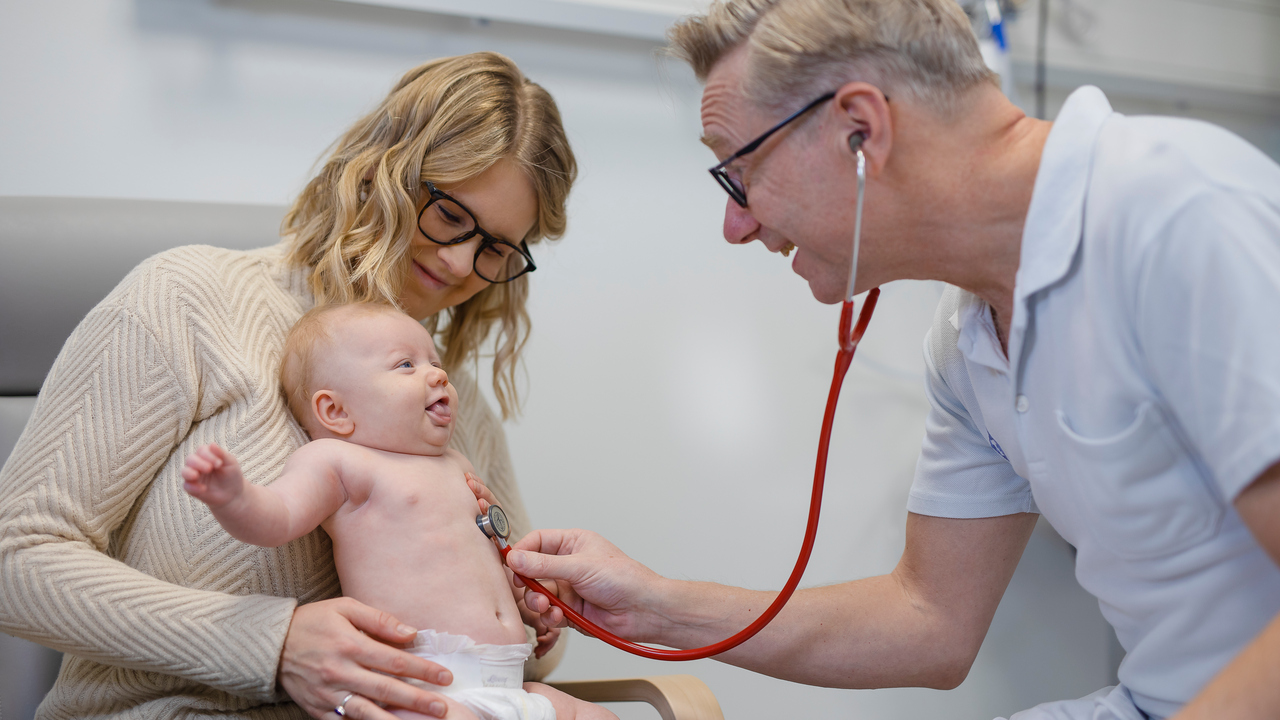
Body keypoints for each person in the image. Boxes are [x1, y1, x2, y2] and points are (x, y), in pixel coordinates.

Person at [498, 1, 1280, 719]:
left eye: (737, 172)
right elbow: (930, 619)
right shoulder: (970, 335)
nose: (736, 226)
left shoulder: (1174, 213)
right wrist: (656, 606)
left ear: (860, 130)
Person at [0, 51, 576, 719]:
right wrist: (272, 644)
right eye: (449, 215)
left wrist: (536, 613)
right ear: (381, 169)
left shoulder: (456, 407)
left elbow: (529, 648)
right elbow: (15, 558)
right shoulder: (191, 301)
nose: (457, 262)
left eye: (496, 250)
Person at [182, 303, 614, 720]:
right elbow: (276, 518)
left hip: (509, 682)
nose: (438, 374)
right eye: (406, 365)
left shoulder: (458, 465)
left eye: (435, 360)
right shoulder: (340, 462)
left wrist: (528, 604)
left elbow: (488, 562)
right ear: (335, 411)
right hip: (419, 686)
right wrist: (232, 496)